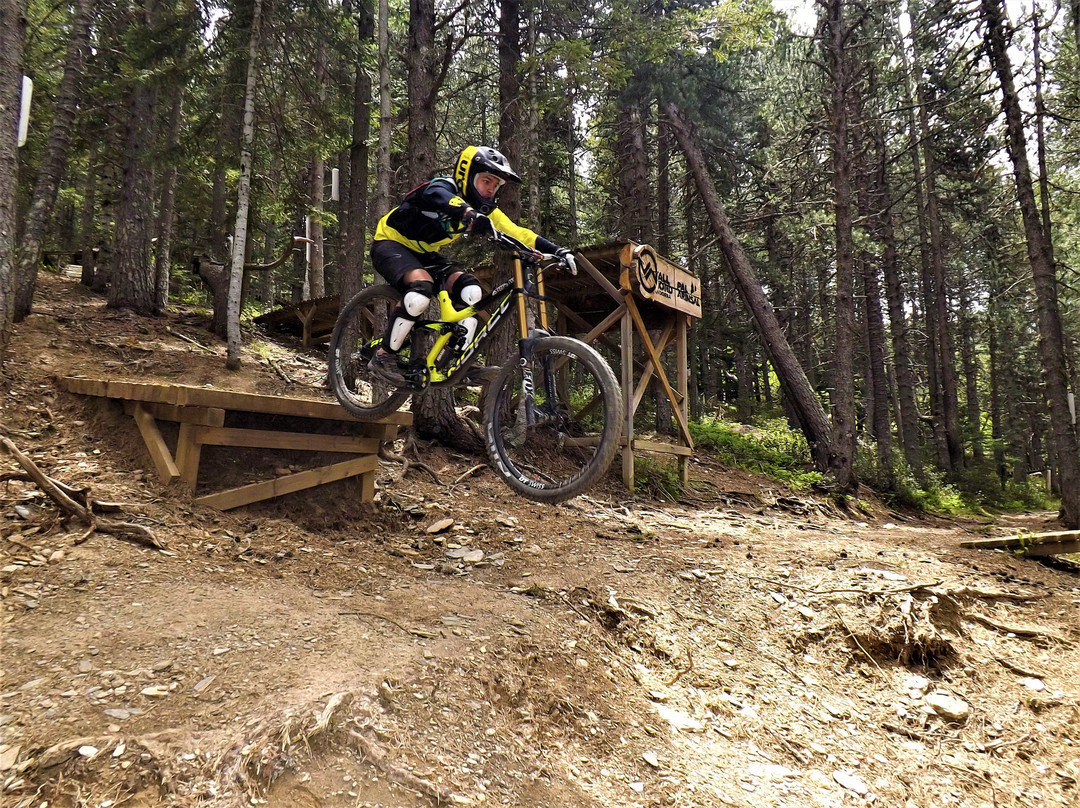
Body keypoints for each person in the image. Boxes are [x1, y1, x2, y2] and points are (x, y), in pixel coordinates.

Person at [367, 145, 576, 385]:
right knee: (419, 292)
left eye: (496, 185)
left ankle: (458, 362)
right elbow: (438, 196)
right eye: (486, 180)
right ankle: (383, 357)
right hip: (391, 243)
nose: (490, 189)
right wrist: (468, 213)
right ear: (467, 174)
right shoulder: (444, 187)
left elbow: (520, 233)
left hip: (427, 254)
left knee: (472, 292)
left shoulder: (484, 211)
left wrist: (557, 250)